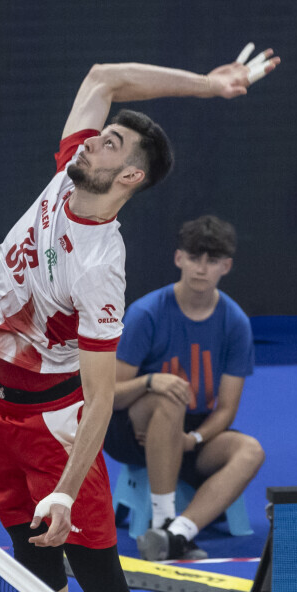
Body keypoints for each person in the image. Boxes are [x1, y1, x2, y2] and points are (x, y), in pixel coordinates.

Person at [0, 49, 279, 592]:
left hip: (54, 427)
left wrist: (65, 492)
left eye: (109, 143)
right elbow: (104, 78)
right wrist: (209, 85)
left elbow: (101, 396)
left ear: (130, 176)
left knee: (103, 588)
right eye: (99, 135)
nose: (91, 142)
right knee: (33, 567)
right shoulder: (68, 172)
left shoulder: (99, 270)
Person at [106, 215, 264, 562]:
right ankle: (162, 519)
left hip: (192, 433)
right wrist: (151, 381)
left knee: (250, 450)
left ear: (226, 266)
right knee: (171, 395)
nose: (201, 269)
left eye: (212, 261)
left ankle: (178, 533)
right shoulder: (146, 313)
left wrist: (192, 440)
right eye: (194, 258)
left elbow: (227, 409)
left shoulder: (235, 322)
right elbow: (109, 396)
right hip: (132, 430)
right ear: (179, 258)